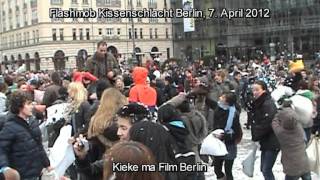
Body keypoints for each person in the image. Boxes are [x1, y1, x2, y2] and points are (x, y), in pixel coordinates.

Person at [0, 91, 51, 180]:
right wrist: (5, 169)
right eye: (28, 104)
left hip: (36, 172)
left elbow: (39, 145)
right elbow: (2, 150)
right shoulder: (9, 127)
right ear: (19, 106)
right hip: (21, 174)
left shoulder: (33, 122)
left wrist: (47, 164)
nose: (32, 106)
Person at [205, 92, 242, 180]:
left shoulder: (234, 114)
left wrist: (225, 136)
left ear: (227, 101)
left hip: (229, 144)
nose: (220, 98)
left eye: (223, 97)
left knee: (228, 170)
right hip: (218, 144)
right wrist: (204, 90)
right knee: (217, 169)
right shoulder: (218, 107)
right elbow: (208, 101)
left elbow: (237, 132)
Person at [272, 100, 311, 180]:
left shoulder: (280, 132)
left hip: (291, 168)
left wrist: (279, 113)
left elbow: (274, 122)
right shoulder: (299, 128)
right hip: (304, 164)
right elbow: (292, 118)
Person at [250, 80, 279, 180]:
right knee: (264, 169)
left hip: (272, 141)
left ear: (264, 90)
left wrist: (256, 135)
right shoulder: (258, 103)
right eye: (253, 90)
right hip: (265, 140)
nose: (254, 92)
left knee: (266, 169)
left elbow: (267, 123)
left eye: (257, 90)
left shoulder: (267, 104)